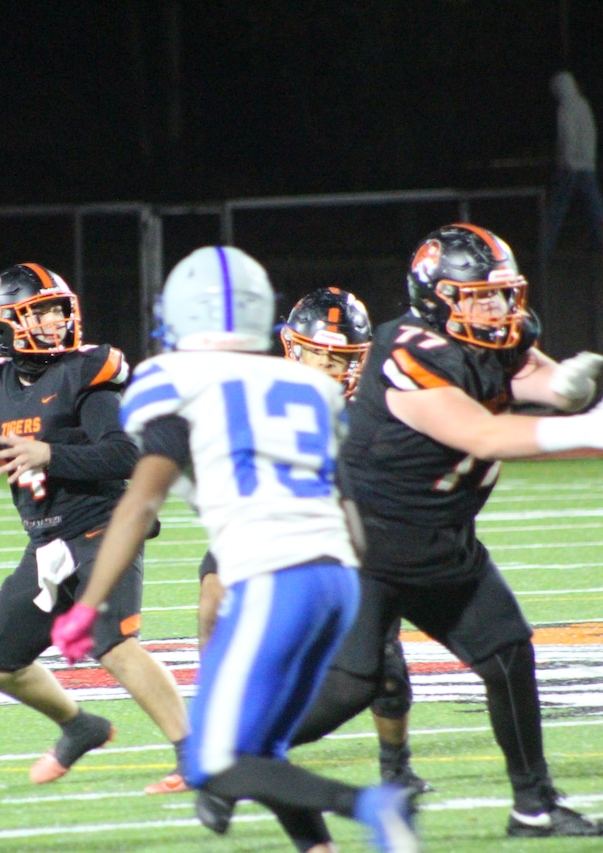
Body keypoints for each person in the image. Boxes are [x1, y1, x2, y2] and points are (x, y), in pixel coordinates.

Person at [287, 223, 603, 839]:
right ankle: (232, 753)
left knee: (508, 653)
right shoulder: (407, 351)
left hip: (442, 540)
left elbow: (533, 376)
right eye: (479, 297)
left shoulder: (494, 335)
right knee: (351, 686)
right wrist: (578, 428)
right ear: (437, 297)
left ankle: (534, 806)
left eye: (501, 294)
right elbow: (479, 434)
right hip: (370, 543)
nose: (497, 308)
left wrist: (565, 389)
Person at [51, 245, 420, 853]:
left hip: (274, 577)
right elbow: (348, 505)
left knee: (211, 762)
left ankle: (371, 807)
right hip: (339, 579)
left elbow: (139, 504)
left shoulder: (176, 382)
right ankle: (318, 847)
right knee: (262, 748)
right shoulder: (310, 389)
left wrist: (88, 604)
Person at [0, 263, 190, 794]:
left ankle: (195, 754)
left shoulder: (85, 373)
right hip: (46, 542)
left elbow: (127, 454)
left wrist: (50, 453)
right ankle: (80, 726)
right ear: (5, 323)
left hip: (103, 529)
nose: (53, 322)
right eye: (38, 313)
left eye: (55, 311)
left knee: (114, 645)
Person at [195, 286, 431, 795]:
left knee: (384, 661)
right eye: (318, 354)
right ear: (292, 347)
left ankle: (396, 765)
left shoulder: (375, 408)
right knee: (214, 598)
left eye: (339, 358)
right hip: (265, 519)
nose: (327, 367)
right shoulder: (261, 396)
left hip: (347, 536)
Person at [543, 70, 603, 254]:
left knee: (556, 208)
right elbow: (591, 134)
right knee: (595, 208)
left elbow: (567, 137)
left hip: (569, 167)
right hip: (587, 165)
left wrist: (566, 160)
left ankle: (545, 247)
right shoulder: (583, 104)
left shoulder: (566, 107)